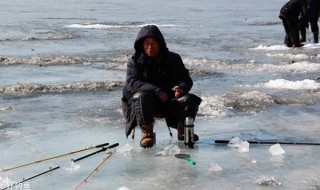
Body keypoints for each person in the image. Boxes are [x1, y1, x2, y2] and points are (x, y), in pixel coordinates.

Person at [121, 25, 202, 148]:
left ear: (160, 44)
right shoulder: (134, 61)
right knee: (140, 96)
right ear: (141, 45)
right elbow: (132, 82)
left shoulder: (174, 58)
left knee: (191, 99)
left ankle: (183, 130)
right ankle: (146, 133)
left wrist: (181, 88)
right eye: (146, 43)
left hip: (170, 101)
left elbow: (186, 79)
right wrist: (156, 90)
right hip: (146, 104)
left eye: (153, 43)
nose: (150, 47)